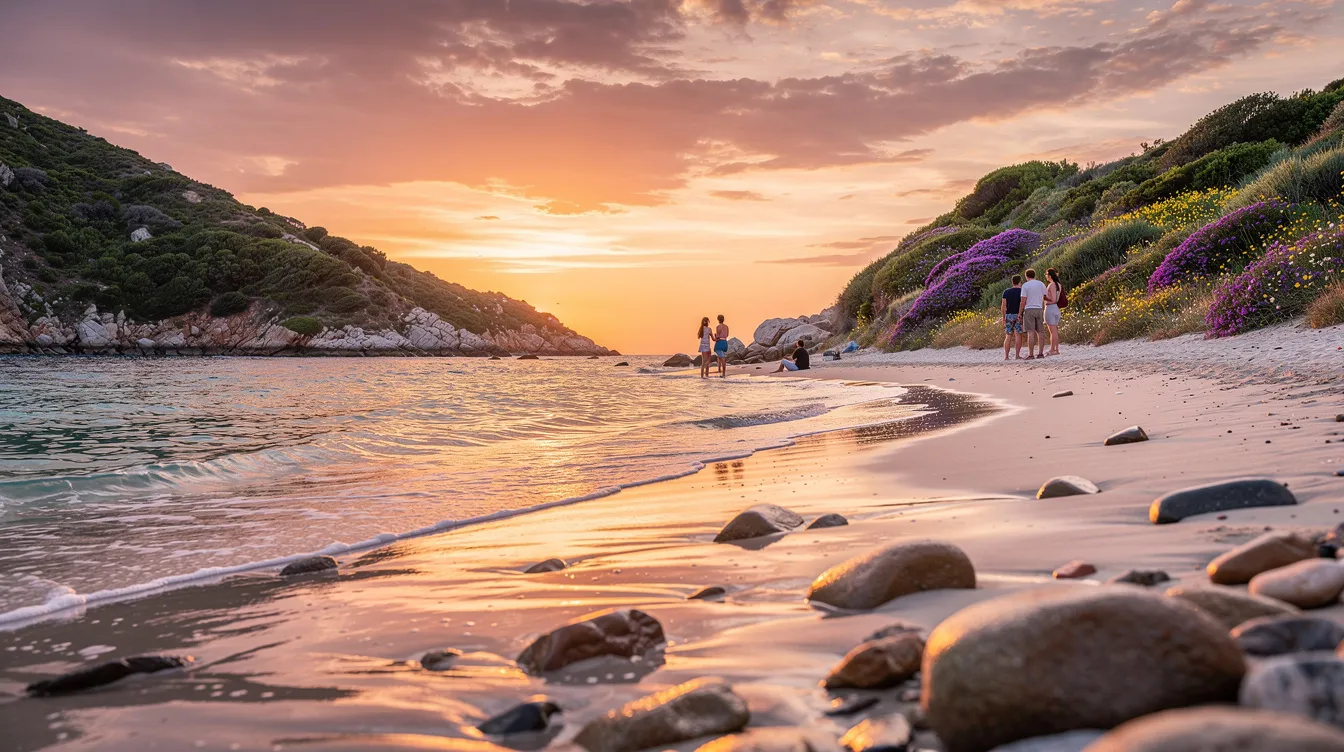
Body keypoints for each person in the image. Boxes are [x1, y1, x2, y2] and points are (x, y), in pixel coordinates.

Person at [1019, 268, 1047, 360]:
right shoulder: (1041, 284)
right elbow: (1045, 296)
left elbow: (1023, 300)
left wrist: (1020, 312)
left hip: (1029, 309)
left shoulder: (1025, 286)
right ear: (1034, 275)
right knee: (1040, 332)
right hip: (1039, 308)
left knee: (1030, 333)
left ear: (1026, 276)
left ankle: (1031, 354)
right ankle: (1040, 353)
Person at [1001, 275, 1024, 361]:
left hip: (1008, 315)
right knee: (1018, 335)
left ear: (1012, 282)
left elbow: (1003, 306)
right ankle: (1017, 355)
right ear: (1020, 282)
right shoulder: (1021, 291)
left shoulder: (1006, 291)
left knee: (1008, 335)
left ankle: (1006, 356)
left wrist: (1003, 317)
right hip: (1018, 315)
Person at [1044, 267, 1063, 356]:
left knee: (1052, 331)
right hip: (1056, 308)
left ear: (1050, 275)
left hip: (1050, 307)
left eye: (1047, 274)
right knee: (1055, 329)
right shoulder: (1059, 284)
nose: (1046, 276)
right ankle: (1056, 349)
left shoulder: (1052, 285)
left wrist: (1044, 297)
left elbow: (1053, 299)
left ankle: (1052, 350)